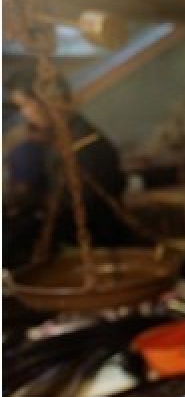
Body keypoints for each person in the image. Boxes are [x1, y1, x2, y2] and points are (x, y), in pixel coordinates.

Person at [3, 67, 128, 267]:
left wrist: (32, 214)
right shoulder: (60, 142)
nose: (26, 114)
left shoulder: (85, 145)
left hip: (100, 252)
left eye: (26, 105)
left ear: (48, 101)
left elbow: (83, 209)